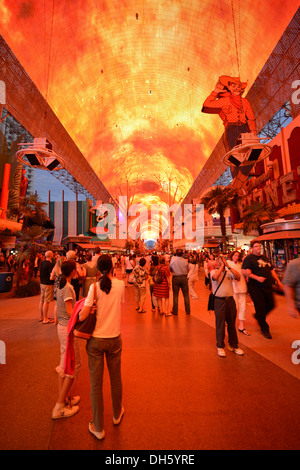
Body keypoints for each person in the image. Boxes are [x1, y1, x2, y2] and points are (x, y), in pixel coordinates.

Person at [79, 255, 125, 440]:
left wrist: (87, 308)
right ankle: (116, 414)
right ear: (113, 267)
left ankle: (98, 427)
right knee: (116, 378)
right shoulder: (120, 285)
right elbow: (118, 303)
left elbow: (82, 317)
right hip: (114, 338)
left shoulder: (94, 287)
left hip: (96, 341)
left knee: (96, 384)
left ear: (98, 269)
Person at [52, 260, 82, 420]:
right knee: (73, 365)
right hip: (67, 330)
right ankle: (59, 406)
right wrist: (83, 313)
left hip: (62, 329)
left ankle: (64, 398)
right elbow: (71, 312)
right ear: (72, 271)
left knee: (65, 363)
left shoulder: (60, 285)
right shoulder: (68, 288)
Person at [242, 241, 283, 339]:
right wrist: (257, 278)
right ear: (252, 248)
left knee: (271, 305)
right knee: (260, 308)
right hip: (256, 287)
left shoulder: (264, 258)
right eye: (256, 246)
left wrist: (278, 281)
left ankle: (258, 316)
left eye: (259, 246)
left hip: (267, 286)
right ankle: (264, 329)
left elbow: (271, 270)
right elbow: (244, 271)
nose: (258, 248)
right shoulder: (249, 258)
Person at [211, 254, 244, 357]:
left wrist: (228, 267)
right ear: (216, 263)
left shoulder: (229, 272)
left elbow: (238, 276)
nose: (222, 261)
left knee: (231, 324)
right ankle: (220, 346)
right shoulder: (213, 271)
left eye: (223, 260)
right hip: (219, 301)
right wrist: (221, 267)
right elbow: (215, 277)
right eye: (220, 260)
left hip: (230, 301)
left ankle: (233, 345)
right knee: (220, 324)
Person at [227, 251, 250, 335]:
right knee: (234, 307)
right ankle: (230, 322)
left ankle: (241, 326)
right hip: (233, 288)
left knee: (243, 307)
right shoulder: (228, 263)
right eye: (235, 255)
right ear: (232, 256)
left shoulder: (241, 264)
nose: (236, 257)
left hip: (242, 287)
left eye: (238, 256)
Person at [169, 249, 190, 315]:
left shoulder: (173, 260)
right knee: (186, 295)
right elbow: (187, 269)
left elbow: (170, 268)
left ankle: (175, 311)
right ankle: (188, 311)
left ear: (176, 253)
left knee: (175, 295)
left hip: (175, 277)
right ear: (182, 254)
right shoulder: (185, 261)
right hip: (184, 277)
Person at [39, 250, 55, 324]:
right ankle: (45, 319)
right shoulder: (50, 265)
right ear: (51, 255)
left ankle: (41, 316)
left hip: (42, 283)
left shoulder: (42, 263)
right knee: (46, 301)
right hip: (48, 284)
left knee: (41, 300)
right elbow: (52, 275)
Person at [50, 255, 65, 325]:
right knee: (64, 304)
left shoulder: (55, 268)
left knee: (56, 305)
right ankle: (63, 320)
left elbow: (51, 278)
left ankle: (56, 320)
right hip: (63, 287)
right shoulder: (64, 268)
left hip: (56, 287)